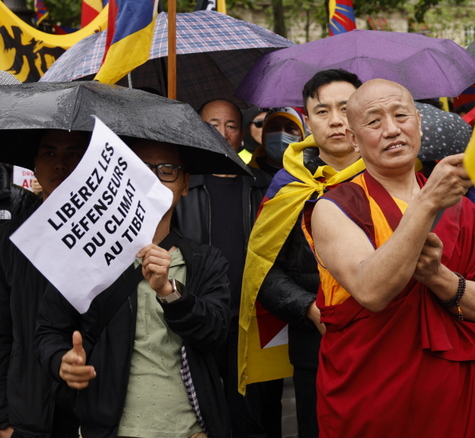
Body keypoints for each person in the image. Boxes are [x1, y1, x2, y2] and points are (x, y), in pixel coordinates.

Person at [303, 79, 475, 437]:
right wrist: (428, 201)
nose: (391, 129)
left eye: (401, 115)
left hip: (454, 397)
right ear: (354, 138)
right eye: (373, 121)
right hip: (372, 401)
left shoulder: (463, 210)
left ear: (417, 121)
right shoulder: (334, 208)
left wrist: (438, 277)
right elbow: (371, 291)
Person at [36, 140, 231, 438]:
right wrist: (61, 361)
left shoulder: (206, 261)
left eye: (167, 170)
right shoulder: (85, 254)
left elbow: (215, 334)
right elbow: (49, 330)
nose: (152, 179)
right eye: (139, 169)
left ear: (185, 185)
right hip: (108, 429)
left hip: (190, 430)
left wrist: (169, 291)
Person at [240, 69, 365, 438]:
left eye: (346, 108)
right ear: (307, 122)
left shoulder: (395, 175)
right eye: (322, 111)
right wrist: (309, 309)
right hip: (318, 344)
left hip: (392, 340)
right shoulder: (288, 186)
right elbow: (264, 271)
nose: (337, 120)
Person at [174, 98, 278, 438]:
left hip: (253, 319)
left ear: (242, 134)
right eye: (212, 124)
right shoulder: (181, 188)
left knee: (253, 414)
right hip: (200, 315)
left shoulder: (263, 185)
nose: (223, 132)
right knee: (201, 411)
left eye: (231, 125)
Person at [0, 130, 87, 438]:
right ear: (34, 165)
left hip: (92, 410)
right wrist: (5, 418)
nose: (60, 165)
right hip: (27, 414)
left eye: (73, 154)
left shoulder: (116, 239)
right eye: (49, 154)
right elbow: (4, 328)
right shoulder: (15, 234)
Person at [249, 107, 306, 177]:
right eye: (274, 127)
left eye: (290, 128)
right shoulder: (246, 176)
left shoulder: (315, 175)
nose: (281, 134)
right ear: (264, 136)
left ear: (302, 136)